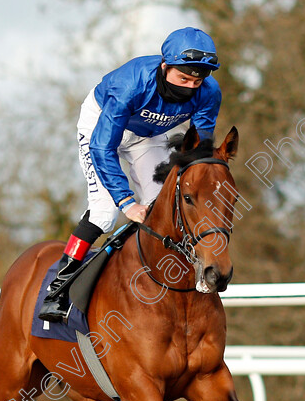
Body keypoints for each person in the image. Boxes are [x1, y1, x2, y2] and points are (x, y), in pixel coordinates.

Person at [39, 26, 222, 322]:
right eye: (183, 78)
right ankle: (59, 286)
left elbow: (199, 148)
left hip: (148, 138)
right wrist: (126, 202)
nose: (190, 87)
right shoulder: (131, 84)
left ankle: (171, 279)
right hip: (102, 129)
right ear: (165, 66)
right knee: (105, 213)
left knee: (166, 207)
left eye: (197, 80)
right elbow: (102, 147)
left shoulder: (209, 93)